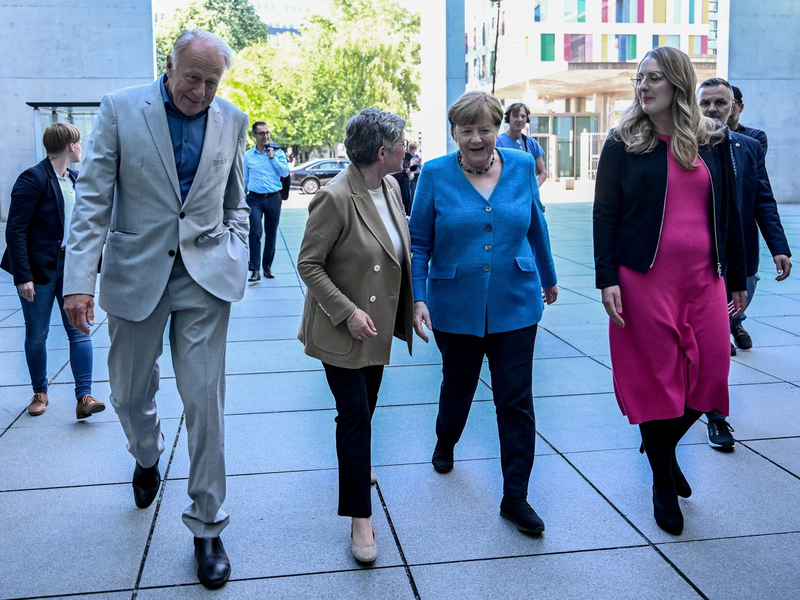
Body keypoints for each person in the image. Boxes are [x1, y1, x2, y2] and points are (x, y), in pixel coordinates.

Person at [63, 30, 249, 588]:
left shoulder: (232, 119)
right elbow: (94, 198)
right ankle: (146, 456)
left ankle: (208, 526)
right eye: (192, 77)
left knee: (204, 402)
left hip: (204, 280)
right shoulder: (122, 109)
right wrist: (79, 281)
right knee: (127, 393)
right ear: (169, 65)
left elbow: (236, 198)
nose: (200, 91)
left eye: (212, 82)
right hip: (135, 274)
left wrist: (234, 247)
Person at [593, 47, 747, 536]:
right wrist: (607, 278)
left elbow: (731, 213)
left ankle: (660, 448)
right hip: (643, 278)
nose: (644, 85)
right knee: (657, 383)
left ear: (678, 83)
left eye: (655, 78)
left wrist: (738, 277)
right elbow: (605, 215)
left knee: (710, 377)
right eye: (640, 77)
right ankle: (662, 479)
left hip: (705, 278)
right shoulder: (623, 142)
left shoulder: (713, 142)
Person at [409, 90, 558, 535]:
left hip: (517, 300)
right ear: (454, 132)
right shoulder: (434, 174)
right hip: (454, 304)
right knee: (458, 388)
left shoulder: (521, 166)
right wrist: (418, 297)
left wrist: (548, 278)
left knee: (515, 401)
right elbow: (420, 244)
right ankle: (445, 439)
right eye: (466, 130)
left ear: (499, 129)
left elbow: (536, 223)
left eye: (485, 129)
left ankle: (515, 497)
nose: (476, 138)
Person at [297, 109, 414, 564]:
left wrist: (415, 304)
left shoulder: (389, 185)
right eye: (402, 142)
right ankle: (359, 519)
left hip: (377, 327)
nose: (407, 147)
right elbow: (309, 264)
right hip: (341, 329)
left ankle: (358, 465)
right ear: (382, 151)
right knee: (355, 415)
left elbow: (400, 249)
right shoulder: (335, 197)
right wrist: (347, 313)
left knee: (366, 407)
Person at [697, 77, 792, 450]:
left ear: (735, 107)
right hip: (701, 263)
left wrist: (778, 247)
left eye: (721, 103)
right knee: (714, 344)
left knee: (723, 330)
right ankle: (716, 416)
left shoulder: (750, 147)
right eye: (705, 103)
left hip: (742, 261)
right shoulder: (686, 145)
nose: (713, 111)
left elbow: (762, 199)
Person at [1, 123, 105, 419]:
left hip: (71, 267)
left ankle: (84, 396)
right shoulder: (32, 179)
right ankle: (40, 392)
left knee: (80, 330)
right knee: (37, 333)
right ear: (71, 146)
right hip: (38, 270)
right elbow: (16, 230)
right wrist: (22, 276)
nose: (81, 148)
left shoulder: (75, 179)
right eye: (80, 143)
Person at [244, 121, 289, 281]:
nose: (265, 136)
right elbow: (244, 179)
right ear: (254, 135)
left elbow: (284, 172)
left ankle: (267, 267)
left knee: (271, 234)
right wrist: (241, 201)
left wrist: (272, 158)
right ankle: (254, 269)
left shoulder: (277, 153)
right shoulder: (248, 156)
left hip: (273, 198)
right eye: (262, 133)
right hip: (254, 198)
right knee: (255, 232)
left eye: (267, 133)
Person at [495, 102, 547, 187]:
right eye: (516, 116)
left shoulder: (532, 143)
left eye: (523, 116)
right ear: (508, 119)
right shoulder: (497, 142)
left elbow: (543, 173)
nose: (520, 119)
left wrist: (532, 190)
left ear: (527, 119)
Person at [729, 86, 768, 155]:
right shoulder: (705, 137)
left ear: (741, 108)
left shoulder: (755, 136)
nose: (726, 111)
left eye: (731, 106)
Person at [391, 146, 414, 216]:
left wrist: (409, 172)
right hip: (393, 181)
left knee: (406, 204)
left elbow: (411, 176)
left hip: (404, 183)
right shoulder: (391, 155)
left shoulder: (408, 156)